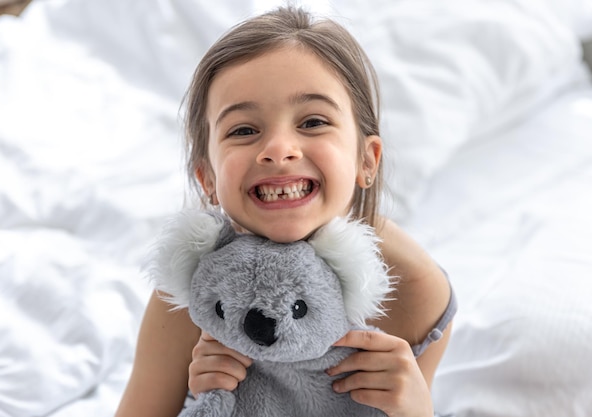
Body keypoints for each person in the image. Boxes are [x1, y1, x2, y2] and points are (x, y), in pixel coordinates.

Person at [116, 6, 455, 417]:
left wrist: (417, 411)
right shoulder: (196, 287)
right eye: (243, 130)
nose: (278, 150)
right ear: (207, 177)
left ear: (367, 160)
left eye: (313, 122)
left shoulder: (413, 287)